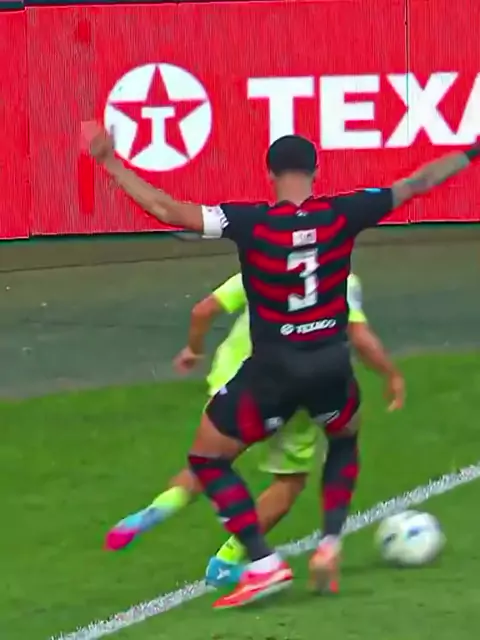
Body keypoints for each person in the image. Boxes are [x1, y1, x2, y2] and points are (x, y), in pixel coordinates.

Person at [83, 121, 479, 608]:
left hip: (273, 372)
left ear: (269, 173)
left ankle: (263, 563)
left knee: (208, 460)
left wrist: (109, 162)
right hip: (332, 366)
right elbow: (419, 182)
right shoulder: (344, 213)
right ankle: (329, 543)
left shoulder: (250, 222)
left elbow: (167, 209)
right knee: (343, 440)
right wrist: (473, 152)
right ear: (316, 171)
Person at [105, 272, 404, 591]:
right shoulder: (341, 278)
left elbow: (204, 310)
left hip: (234, 377)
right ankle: (229, 558)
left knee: (209, 462)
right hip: (300, 383)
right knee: (289, 480)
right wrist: (391, 375)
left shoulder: (262, 262)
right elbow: (358, 335)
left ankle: (160, 507)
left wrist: (193, 349)